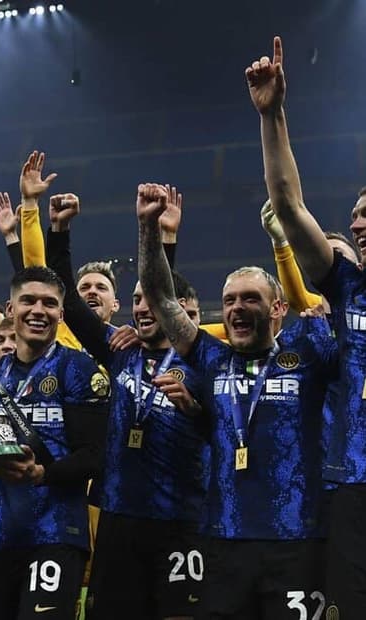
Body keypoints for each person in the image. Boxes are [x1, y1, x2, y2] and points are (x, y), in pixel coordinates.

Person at [136, 181, 338, 618]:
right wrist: (149, 229)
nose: (237, 308)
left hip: (297, 538)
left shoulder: (307, 354)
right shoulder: (212, 358)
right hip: (224, 538)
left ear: (277, 308)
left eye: (251, 299)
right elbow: (161, 298)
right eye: (229, 300)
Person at [246, 36, 366, 617]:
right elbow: (290, 206)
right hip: (355, 482)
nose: (358, 224)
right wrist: (273, 116)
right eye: (356, 215)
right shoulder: (348, 289)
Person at [46, 192, 207, 620]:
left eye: (148, 298)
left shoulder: (202, 360)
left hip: (180, 519)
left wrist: (194, 410)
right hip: (119, 517)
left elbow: (221, 427)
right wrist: (59, 230)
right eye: (134, 300)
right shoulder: (119, 351)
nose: (141, 307)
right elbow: (68, 299)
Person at [0, 266, 110, 620]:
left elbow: (96, 455)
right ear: (11, 310)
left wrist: (44, 473)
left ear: (61, 314)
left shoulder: (79, 369)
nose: (38, 310)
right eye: (28, 301)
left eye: (49, 303)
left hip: (55, 533)